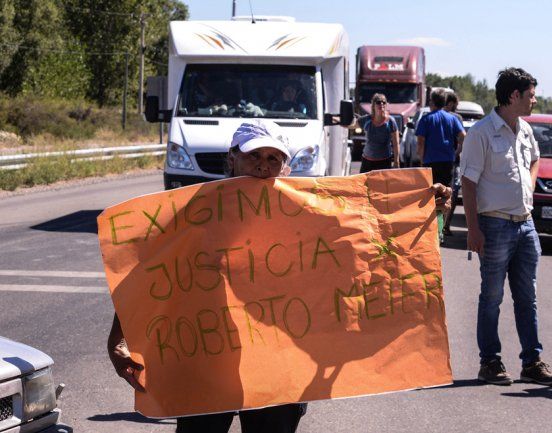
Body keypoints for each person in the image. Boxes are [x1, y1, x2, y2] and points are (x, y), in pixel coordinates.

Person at [108, 120, 451, 431]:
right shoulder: (193, 212)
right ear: (232, 159)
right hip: (206, 363)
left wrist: (421, 208)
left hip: (277, 365)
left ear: (285, 166)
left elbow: (367, 239)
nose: (263, 165)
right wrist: (118, 339)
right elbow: (149, 275)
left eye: (274, 158)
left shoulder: (307, 213)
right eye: (254, 155)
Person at [460, 67, 552, 387]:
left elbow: (535, 160)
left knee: (527, 297)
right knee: (491, 297)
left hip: (525, 225)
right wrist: (473, 229)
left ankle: (531, 362)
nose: (535, 100)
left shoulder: (526, 130)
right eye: (530, 94)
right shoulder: (481, 133)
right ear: (513, 96)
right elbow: (468, 183)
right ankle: (490, 362)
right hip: (494, 225)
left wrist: (529, 187)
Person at [416, 88, 465, 189]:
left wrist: (421, 160)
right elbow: (463, 136)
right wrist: (457, 152)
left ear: (432, 102)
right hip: (447, 161)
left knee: (431, 192)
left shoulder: (425, 119)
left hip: (429, 162)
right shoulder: (452, 119)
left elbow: (420, 143)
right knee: (446, 191)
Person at [350, 93, 401, 173]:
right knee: (364, 185)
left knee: (382, 185)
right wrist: (338, 120)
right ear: (373, 105)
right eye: (378, 102)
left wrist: (396, 161)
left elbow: (396, 143)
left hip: (384, 161)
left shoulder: (391, 121)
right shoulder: (367, 120)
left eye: (383, 102)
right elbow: (351, 125)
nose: (381, 104)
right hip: (367, 161)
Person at [442, 92, 464, 237]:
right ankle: (446, 225)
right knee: (452, 193)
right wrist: (456, 153)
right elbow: (462, 139)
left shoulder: (437, 115)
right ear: (451, 103)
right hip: (453, 161)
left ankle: (441, 225)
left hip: (439, 160)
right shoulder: (456, 118)